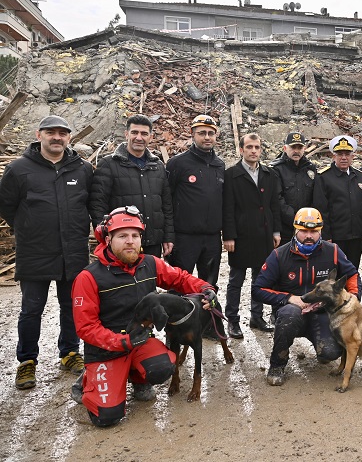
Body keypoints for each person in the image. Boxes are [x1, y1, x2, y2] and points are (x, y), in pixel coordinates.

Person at [71, 206, 217, 426]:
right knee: (107, 417)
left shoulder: (149, 263)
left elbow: (179, 279)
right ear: (107, 239)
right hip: (106, 349)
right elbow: (86, 328)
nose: (130, 241)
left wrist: (205, 287)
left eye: (135, 236)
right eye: (122, 236)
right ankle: (87, 379)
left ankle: (138, 377)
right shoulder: (88, 277)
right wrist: (121, 341)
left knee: (165, 366)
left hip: (138, 340)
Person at [0, 115, 93, 390]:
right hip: (35, 252)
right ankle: (27, 362)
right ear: (39, 135)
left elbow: (90, 203)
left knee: (71, 306)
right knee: (31, 309)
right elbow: (7, 205)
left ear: (69, 138)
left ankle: (70, 353)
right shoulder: (19, 169)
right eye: (50, 132)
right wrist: (27, 228)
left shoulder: (82, 169)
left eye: (62, 133)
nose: (57, 137)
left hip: (73, 252)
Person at [252, 208, 360, 387]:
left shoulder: (332, 251)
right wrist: (289, 298)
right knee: (288, 316)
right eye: (304, 231)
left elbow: (352, 274)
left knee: (331, 353)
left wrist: (353, 299)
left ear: (320, 231)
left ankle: (321, 347)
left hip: (322, 314)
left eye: (314, 231)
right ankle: (277, 365)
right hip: (292, 312)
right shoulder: (279, 255)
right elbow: (258, 289)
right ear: (295, 230)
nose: (309, 236)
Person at [222, 133, 282, 337]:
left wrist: (276, 231)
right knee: (236, 280)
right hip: (240, 235)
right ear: (241, 150)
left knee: (261, 279)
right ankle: (233, 320)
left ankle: (257, 316)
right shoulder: (231, 174)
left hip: (264, 234)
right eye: (249, 147)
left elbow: (274, 205)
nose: (254, 151)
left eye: (257, 147)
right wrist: (228, 235)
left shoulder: (269, 173)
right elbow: (227, 207)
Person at [89, 114, 174, 257]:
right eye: (134, 132)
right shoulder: (108, 164)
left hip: (152, 242)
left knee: (150, 279)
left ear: (151, 137)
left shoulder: (158, 166)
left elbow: (166, 206)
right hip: (121, 244)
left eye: (144, 133)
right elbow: (97, 205)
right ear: (126, 134)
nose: (139, 137)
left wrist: (168, 237)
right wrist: (105, 237)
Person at [166, 114, 225, 289]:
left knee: (209, 286)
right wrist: (168, 235)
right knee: (179, 285)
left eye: (210, 133)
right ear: (193, 134)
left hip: (212, 238)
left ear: (216, 136)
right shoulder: (177, 163)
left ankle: (206, 317)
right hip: (185, 238)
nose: (207, 137)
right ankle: (179, 317)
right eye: (202, 133)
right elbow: (166, 200)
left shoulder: (219, 165)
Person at [312, 135, 362, 269]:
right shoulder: (324, 177)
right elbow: (321, 208)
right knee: (334, 273)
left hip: (357, 236)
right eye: (340, 154)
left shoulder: (359, 176)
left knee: (352, 270)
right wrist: (326, 235)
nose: (344, 157)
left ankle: (353, 291)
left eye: (347, 154)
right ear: (333, 156)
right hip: (336, 237)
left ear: (353, 156)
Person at [270, 131, 317, 246]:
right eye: (293, 147)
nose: (296, 151)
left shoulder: (311, 169)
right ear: (285, 148)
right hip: (285, 227)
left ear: (304, 148)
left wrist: (308, 219)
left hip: (307, 227)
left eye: (299, 147)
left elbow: (315, 196)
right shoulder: (276, 169)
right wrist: (296, 219)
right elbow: (277, 199)